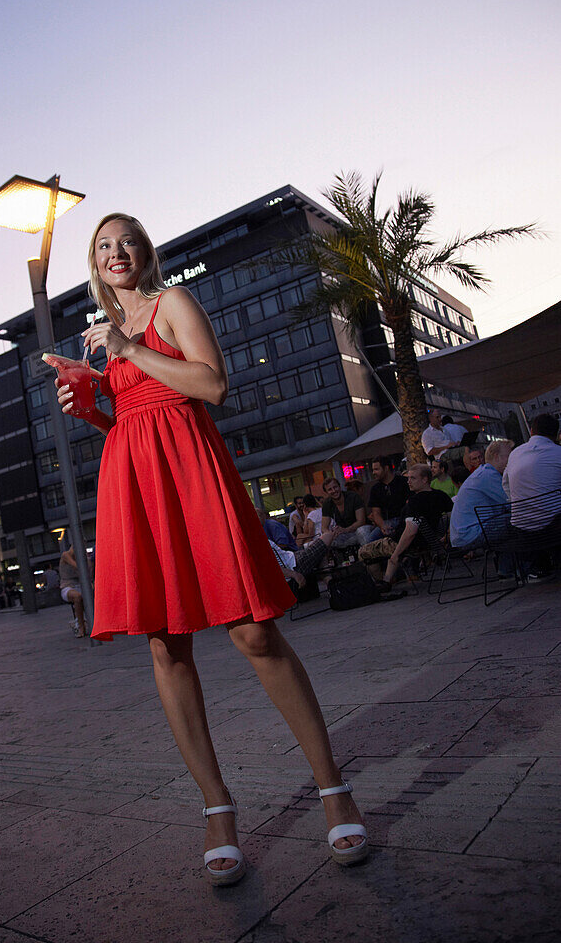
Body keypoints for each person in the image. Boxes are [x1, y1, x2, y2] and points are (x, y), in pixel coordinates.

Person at [55, 212, 368, 884]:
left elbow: (211, 385)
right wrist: (90, 408)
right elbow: (130, 417)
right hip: (133, 479)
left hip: (191, 469)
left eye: (127, 241)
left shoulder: (171, 303)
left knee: (255, 633)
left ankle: (333, 787)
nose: (117, 253)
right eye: (104, 245)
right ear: (94, 260)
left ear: (145, 252)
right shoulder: (99, 336)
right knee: (166, 645)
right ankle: (217, 808)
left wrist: (132, 352)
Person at [380, 464, 453, 587]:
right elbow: (454, 516)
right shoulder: (441, 496)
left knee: (364, 551)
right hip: (431, 540)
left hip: (412, 543)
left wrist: (395, 556)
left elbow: (410, 532)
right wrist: (448, 534)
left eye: (413, 478)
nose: (408, 481)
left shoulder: (415, 502)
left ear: (425, 479)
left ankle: (385, 581)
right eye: (408, 478)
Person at [449, 440, 512, 552]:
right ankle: (517, 567)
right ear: (497, 457)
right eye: (509, 456)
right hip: (471, 534)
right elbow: (511, 502)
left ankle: (509, 567)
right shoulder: (488, 475)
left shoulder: (483, 473)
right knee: (520, 522)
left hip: (464, 534)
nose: (512, 460)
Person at [504, 414, 561, 528]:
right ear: (556, 435)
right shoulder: (558, 452)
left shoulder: (515, 453)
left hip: (522, 531)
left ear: (531, 431)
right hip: (554, 529)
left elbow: (505, 484)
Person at [365, 458, 410, 541]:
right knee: (369, 542)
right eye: (373, 470)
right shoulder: (375, 489)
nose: (374, 473)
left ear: (386, 468)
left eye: (376, 469)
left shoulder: (404, 482)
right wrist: (383, 526)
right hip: (387, 523)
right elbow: (376, 512)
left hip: (406, 520)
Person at [320, 477, 372, 549]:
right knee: (327, 540)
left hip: (361, 528)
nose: (334, 491)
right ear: (326, 492)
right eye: (330, 489)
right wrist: (331, 534)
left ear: (339, 486)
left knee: (362, 531)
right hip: (344, 534)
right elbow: (323, 528)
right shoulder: (327, 504)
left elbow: (361, 521)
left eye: (335, 487)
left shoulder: (353, 497)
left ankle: (369, 555)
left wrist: (346, 529)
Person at [59, 544, 88, 637]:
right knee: (77, 597)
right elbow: (77, 566)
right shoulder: (66, 555)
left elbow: (89, 571)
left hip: (82, 585)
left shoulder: (83, 556)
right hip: (67, 586)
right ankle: (81, 626)